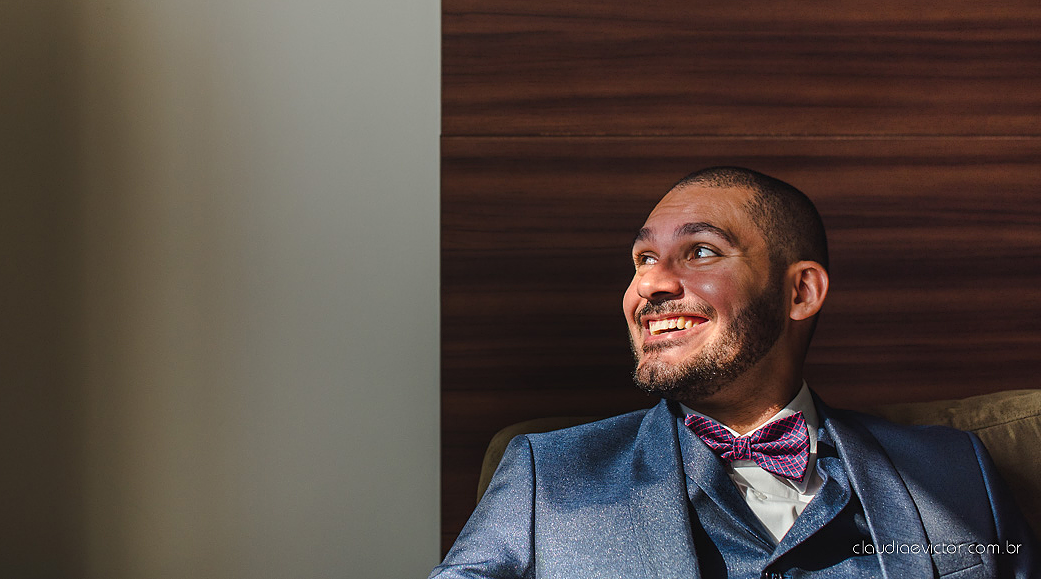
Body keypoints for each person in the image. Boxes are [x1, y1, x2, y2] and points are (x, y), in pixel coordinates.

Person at [430, 166, 1038, 579]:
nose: (649, 284)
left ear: (800, 292)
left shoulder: (955, 468)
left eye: (699, 252)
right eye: (643, 260)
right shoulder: (547, 474)